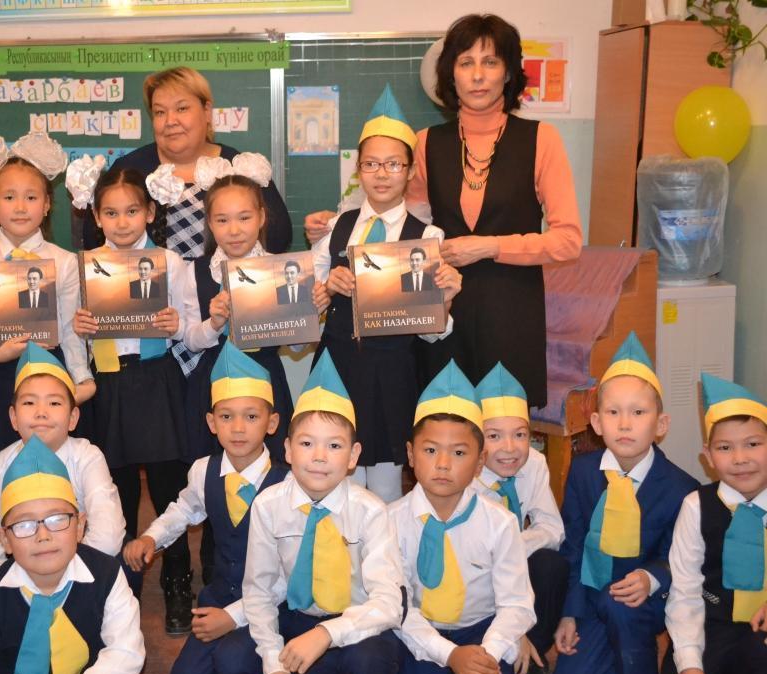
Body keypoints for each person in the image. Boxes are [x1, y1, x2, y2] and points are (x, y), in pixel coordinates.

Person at [305, 14, 582, 406]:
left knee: (504, 426)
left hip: (510, 309)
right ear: (451, 74)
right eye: (466, 63)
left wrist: (488, 246)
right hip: (439, 310)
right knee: (442, 425)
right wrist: (335, 225)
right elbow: (397, 220)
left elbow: (568, 241)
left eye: (490, 62)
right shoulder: (427, 143)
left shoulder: (541, 139)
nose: (478, 75)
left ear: (508, 73)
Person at [312, 83, 462, 503]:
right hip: (338, 366)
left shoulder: (428, 237)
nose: (382, 174)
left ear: (411, 171)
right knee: (337, 477)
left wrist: (445, 300)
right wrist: (326, 289)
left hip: (393, 373)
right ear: (358, 170)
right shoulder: (337, 228)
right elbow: (307, 304)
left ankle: (383, 547)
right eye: (372, 164)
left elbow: (431, 333)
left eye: (394, 164)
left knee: (384, 484)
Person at [70, 164, 201, 635]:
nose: (122, 221)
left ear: (149, 212)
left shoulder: (171, 263)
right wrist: (78, 328)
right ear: (96, 217)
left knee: (169, 489)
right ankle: (120, 584)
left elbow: (192, 325)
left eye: (131, 211)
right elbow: (69, 332)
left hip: (157, 380)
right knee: (115, 491)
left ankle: (177, 580)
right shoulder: (84, 267)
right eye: (110, 213)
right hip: (106, 385)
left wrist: (176, 326)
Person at [123, 341, 289, 674]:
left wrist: (233, 617)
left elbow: (290, 574)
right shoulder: (203, 470)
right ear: (212, 422)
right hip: (219, 595)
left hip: (271, 604)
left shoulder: (287, 486)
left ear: (272, 422)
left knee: (233, 662)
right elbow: (182, 510)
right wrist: (151, 537)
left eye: (251, 416)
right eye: (226, 417)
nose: (238, 428)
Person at [239, 351, 405, 674]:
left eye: (334, 446)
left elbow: (389, 602)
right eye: (306, 443)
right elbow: (259, 590)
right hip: (299, 616)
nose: (318, 457)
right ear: (287, 449)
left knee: (369, 664)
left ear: (353, 456)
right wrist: (273, 663)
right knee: (235, 662)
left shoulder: (372, 511)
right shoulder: (267, 505)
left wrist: (327, 633)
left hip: (359, 624)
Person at [553, 332, 698, 674]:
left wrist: (651, 577)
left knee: (624, 626)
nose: (625, 424)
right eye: (613, 412)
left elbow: (679, 557)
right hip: (592, 599)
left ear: (660, 424)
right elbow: (574, 545)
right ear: (597, 423)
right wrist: (569, 613)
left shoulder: (681, 488)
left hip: (645, 602)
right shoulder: (583, 473)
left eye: (638, 412)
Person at [0, 436, 145, 674]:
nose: (43, 535)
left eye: (57, 519)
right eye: (24, 524)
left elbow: (125, 652)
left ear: (80, 526)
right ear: (4, 539)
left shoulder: (107, 575)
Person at [0, 131, 96, 458]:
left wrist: (81, 380)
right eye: (9, 197)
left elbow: (72, 331)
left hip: (52, 375)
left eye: (31, 197)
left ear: (47, 204)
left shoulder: (65, 263)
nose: (20, 207)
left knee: (56, 470)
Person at [392, 360, 535, 674]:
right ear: (411, 454)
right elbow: (398, 607)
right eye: (430, 450)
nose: (443, 464)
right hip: (419, 634)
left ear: (480, 461)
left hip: (483, 633)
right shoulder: (390, 522)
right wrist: (450, 654)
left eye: (459, 453)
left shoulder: (500, 523)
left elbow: (516, 604)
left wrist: (488, 652)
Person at [72, 66, 291, 259]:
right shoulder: (129, 170)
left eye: (182, 108)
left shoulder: (239, 168)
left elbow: (278, 237)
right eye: (160, 112)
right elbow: (94, 240)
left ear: (207, 112)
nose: (170, 121)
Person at [183, 157, 320, 467]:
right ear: (209, 223)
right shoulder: (196, 272)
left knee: (272, 470)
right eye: (222, 220)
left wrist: (311, 312)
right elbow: (190, 340)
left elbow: (297, 346)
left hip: (266, 377)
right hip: (213, 382)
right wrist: (214, 323)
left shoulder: (283, 270)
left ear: (261, 217)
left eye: (244, 218)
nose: (234, 230)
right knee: (212, 470)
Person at [661, 374, 767, 674]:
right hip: (710, 626)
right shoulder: (696, 507)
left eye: (753, 444)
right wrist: (690, 663)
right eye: (724, 448)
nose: (740, 458)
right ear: (707, 456)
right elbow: (685, 591)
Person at [470, 362, 567, 674]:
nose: (510, 448)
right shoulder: (465, 475)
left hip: (509, 560)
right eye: (494, 436)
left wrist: (512, 547)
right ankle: (499, 649)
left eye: (520, 435)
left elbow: (553, 529)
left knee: (551, 565)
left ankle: (532, 654)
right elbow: (473, 559)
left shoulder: (534, 464)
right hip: (475, 577)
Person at [0, 342, 126, 559]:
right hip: (22, 566)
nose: (41, 413)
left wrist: (63, 571)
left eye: (54, 403)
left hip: (83, 559)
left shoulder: (87, 457)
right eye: (29, 403)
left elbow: (107, 535)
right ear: (13, 418)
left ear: (73, 418)